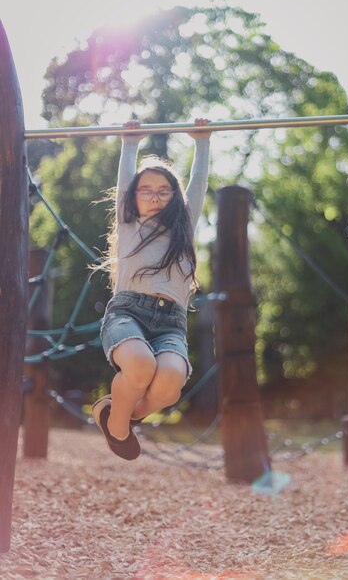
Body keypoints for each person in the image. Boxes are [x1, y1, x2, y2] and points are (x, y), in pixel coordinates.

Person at [92, 118, 212, 460]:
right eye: (146, 191)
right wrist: (130, 144)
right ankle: (117, 427)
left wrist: (202, 143)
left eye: (164, 190)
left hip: (170, 323)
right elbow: (126, 180)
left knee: (170, 384)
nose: (154, 196)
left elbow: (199, 185)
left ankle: (118, 411)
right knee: (141, 365)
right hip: (128, 312)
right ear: (134, 197)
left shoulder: (183, 229)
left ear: (175, 197)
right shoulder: (129, 224)